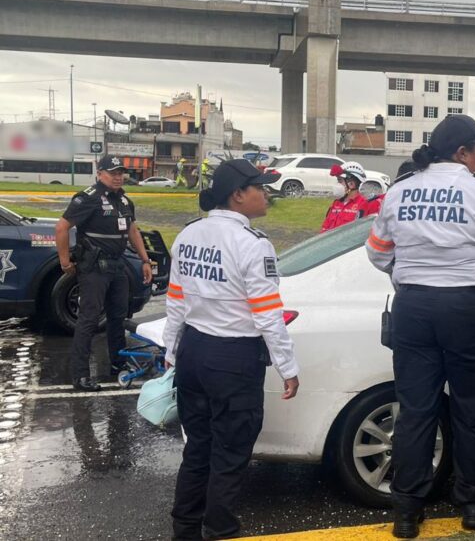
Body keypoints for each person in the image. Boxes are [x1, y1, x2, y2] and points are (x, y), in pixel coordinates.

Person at [366, 114, 475, 539]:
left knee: (416, 410)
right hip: (467, 310)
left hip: (413, 308)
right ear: (462, 152)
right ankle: (474, 504)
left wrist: (412, 270)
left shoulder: (399, 191)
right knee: (474, 409)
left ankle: (407, 510)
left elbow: (379, 254)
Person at [163, 158, 300, 541]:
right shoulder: (253, 244)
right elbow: (267, 315)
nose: (267, 193)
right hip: (234, 358)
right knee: (230, 451)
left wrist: (172, 350)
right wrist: (288, 366)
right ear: (238, 195)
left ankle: (185, 527)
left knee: (199, 447)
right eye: (260, 187)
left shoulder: (189, 234)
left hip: (193, 350)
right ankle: (220, 529)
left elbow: (176, 300)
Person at [55, 155, 154, 392]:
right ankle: (80, 377)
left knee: (117, 318)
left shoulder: (124, 201)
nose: (118, 177)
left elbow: (132, 230)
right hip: (94, 269)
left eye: (121, 172)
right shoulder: (88, 198)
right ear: (100, 173)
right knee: (89, 320)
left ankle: (118, 364)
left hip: (117, 266)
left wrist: (145, 259)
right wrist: (65, 262)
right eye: (113, 172)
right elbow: (61, 227)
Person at [320, 162, 369, 232]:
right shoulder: (336, 203)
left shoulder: (363, 204)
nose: (337, 184)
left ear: (351, 184)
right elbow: (325, 227)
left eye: (340, 181)